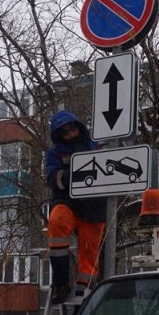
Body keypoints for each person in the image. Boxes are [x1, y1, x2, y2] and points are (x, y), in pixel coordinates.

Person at [45, 110, 106, 304]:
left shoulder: (96, 145)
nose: (70, 134)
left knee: (89, 251)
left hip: (94, 203)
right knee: (57, 222)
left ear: (78, 126)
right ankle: (62, 283)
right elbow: (53, 179)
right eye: (65, 132)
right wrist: (75, 175)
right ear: (59, 135)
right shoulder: (55, 153)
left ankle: (84, 296)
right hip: (67, 199)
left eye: (72, 129)